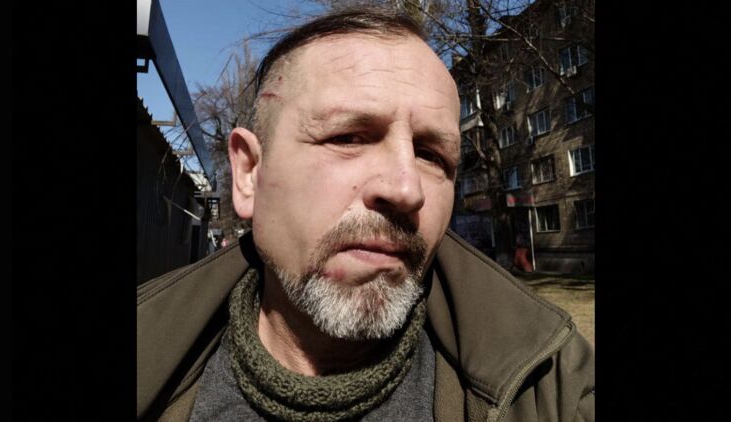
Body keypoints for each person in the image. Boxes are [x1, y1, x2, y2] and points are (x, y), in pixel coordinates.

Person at [137, 7, 594, 422]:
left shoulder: (553, 390)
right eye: (348, 137)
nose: (406, 189)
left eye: (432, 155)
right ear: (249, 175)